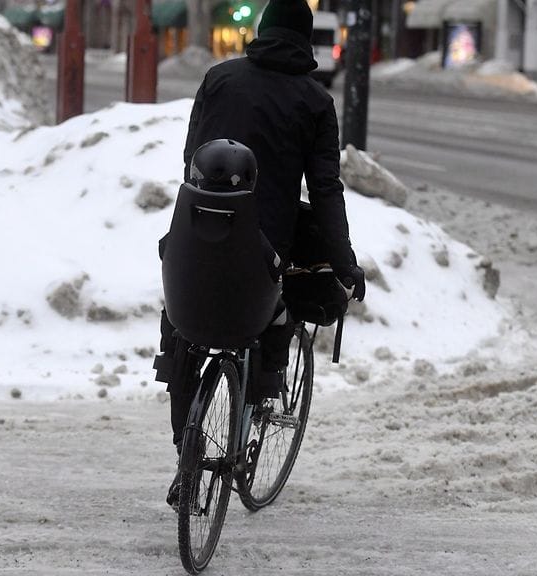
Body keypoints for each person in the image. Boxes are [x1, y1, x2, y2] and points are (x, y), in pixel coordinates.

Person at [153, 0, 365, 506]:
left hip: (191, 243)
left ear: (261, 31)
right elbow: (326, 189)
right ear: (306, 41)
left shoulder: (218, 79)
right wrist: (343, 262)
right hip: (262, 253)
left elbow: (191, 157)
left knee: (182, 337)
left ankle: (188, 453)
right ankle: (253, 411)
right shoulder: (314, 101)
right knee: (269, 322)